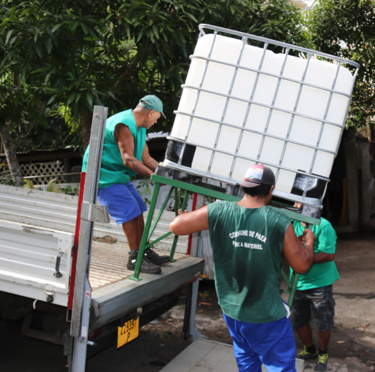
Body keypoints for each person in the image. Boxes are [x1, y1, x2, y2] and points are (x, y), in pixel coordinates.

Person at [169, 164, 315, 372]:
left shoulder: (218, 210)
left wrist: (187, 217)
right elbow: (301, 265)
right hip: (266, 314)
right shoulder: (278, 221)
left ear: (244, 187)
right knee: (280, 367)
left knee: (247, 362)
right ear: (271, 190)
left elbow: (176, 226)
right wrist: (309, 242)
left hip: (233, 311)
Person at [82, 95, 170, 274]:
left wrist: (168, 173)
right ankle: (134, 258)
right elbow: (129, 159)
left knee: (138, 208)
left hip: (117, 176)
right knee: (130, 211)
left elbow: (146, 159)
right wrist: (153, 177)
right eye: (157, 118)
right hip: (103, 177)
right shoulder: (123, 124)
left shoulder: (140, 127)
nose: (156, 122)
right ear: (151, 113)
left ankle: (143, 251)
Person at [290, 203, 339, 372]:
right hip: (297, 282)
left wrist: (304, 260)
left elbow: (328, 254)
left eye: (299, 202)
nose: (296, 204)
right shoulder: (292, 224)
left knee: (323, 321)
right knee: (298, 319)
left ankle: (323, 353)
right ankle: (310, 349)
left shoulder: (323, 225)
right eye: (295, 201)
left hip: (320, 283)